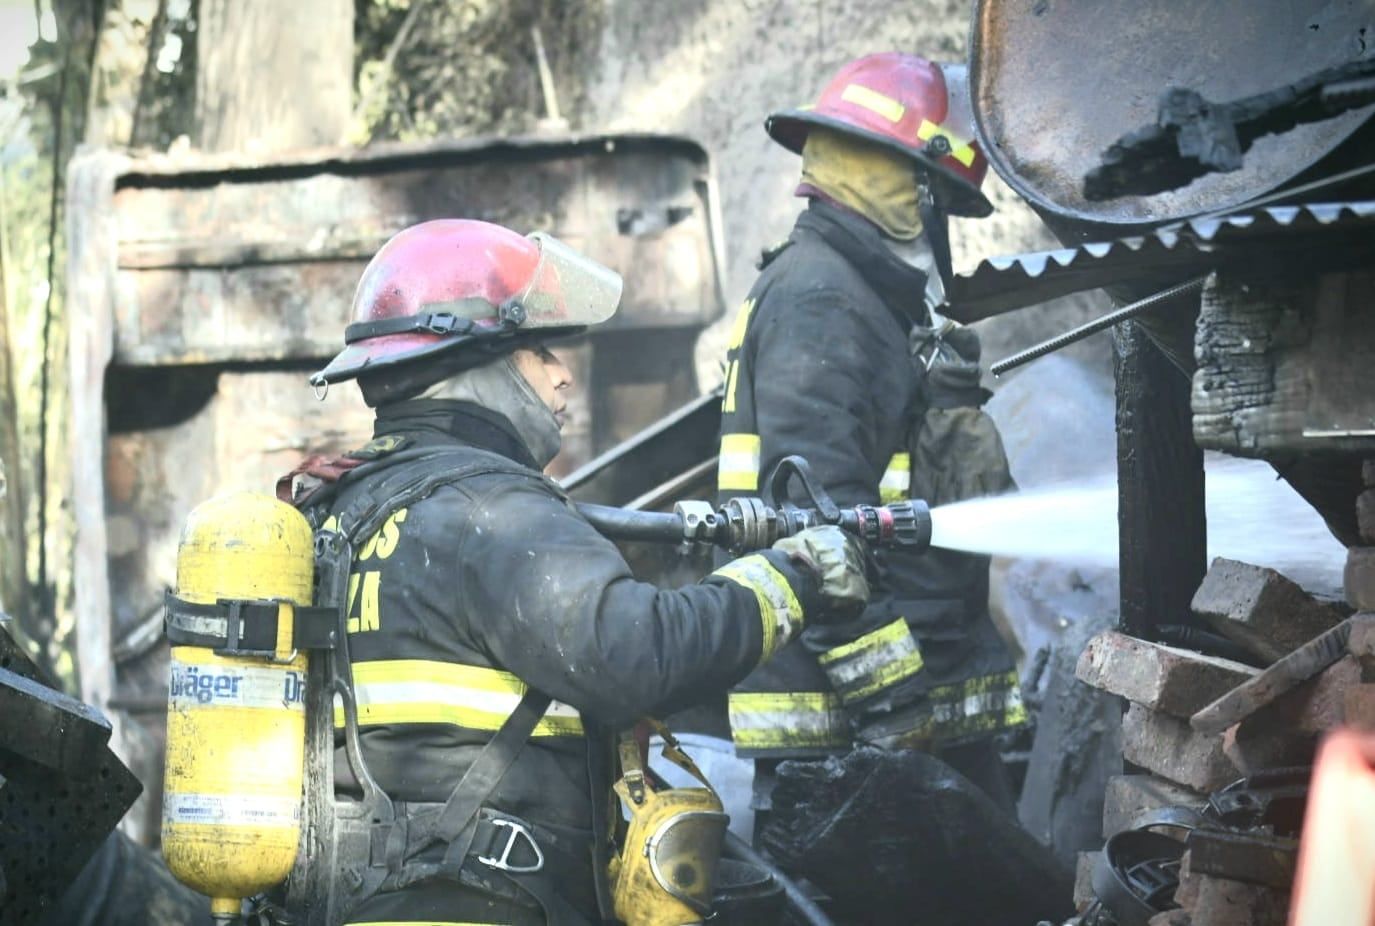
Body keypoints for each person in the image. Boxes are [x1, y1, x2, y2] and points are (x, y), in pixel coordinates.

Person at [300, 218, 869, 926]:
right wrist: (790, 579)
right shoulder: (491, 510)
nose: (563, 373)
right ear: (479, 362)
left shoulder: (337, 512)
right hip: (480, 902)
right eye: (540, 351)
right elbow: (634, 654)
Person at [716, 53, 1025, 815]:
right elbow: (814, 521)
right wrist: (891, 704)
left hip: (900, 685)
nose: (938, 228)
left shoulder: (858, 296)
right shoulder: (824, 299)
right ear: (907, 190)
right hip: (852, 720)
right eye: (937, 200)